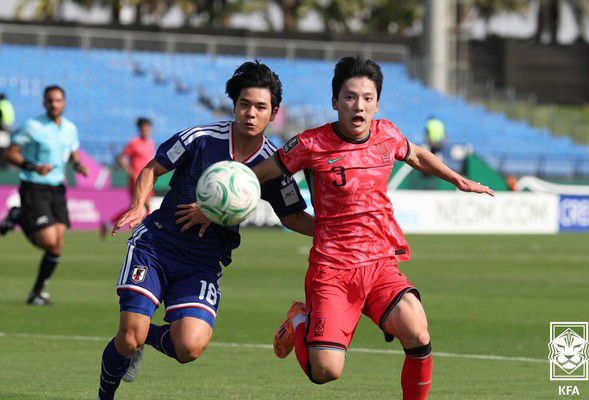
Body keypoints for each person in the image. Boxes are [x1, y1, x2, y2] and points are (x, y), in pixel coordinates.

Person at [251, 56, 493, 399]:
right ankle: (299, 320)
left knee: (417, 330)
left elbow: (418, 155)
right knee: (325, 371)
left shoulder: (387, 134)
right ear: (335, 102)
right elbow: (265, 171)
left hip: (380, 265)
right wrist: (229, 187)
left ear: (377, 103)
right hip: (333, 269)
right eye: (350, 97)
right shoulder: (311, 144)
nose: (359, 106)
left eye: (367, 98)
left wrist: (457, 179)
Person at [95, 61, 314, 400]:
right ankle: (105, 393)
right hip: (157, 246)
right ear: (234, 106)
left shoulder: (274, 164)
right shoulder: (200, 138)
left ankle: (144, 338)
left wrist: (337, 231)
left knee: (189, 347)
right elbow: (152, 169)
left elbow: (293, 216)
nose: (251, 113)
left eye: (260, 107)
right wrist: (138, 205)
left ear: (274, 113)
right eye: (244, 104)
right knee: (128, 338)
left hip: (203, 262)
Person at [0, 85, 88, 305]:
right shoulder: (33, 126)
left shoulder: (70, 128)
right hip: (34, 186)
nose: (54, 104)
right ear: (44, 103)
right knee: (48, 241)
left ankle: (36, 293)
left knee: (56, 246)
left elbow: (73, 153)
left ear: (64, 102)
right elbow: (10, 153)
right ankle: (19, 215)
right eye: (50, 100)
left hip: (58, 189)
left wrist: (78, 166)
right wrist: (33, 166)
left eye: (58, 100)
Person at [100, 117, 155, 237]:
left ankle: (109, 223)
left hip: (148, 178)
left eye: (148, 128)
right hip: (136, 180)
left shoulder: (150, 143)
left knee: (136, 207)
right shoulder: (134, 143)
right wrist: (131, 172)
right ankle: (148, 229)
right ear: (140, 129)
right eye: (144, 128)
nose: (146, 130)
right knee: (144, 204)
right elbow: (120, 157)